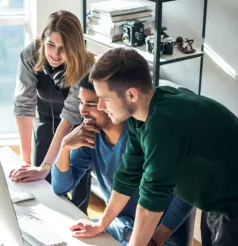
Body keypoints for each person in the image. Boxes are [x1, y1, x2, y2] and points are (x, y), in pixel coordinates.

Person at [69, 47, 238, 246]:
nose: (100, 107)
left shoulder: (164, 122)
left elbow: (152, 198)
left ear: (131, 95)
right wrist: (101, 225)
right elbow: (127, 175)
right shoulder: (141, 116)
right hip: (214, 204)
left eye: (105, 99)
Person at [53, 76, 193, 246]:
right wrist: (65, 147)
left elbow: (187, 192)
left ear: (112, 103)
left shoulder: (146, 135)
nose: (82, 111)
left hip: (157, 236)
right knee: (64, 238)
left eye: (90, 104)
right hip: (120, 227)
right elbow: (61, 186)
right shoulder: (90, 135)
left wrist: (156, 239)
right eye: (81, 102)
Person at [10, 10, 94, 213]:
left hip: (78, 124)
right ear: (43, 40)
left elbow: (70, 117)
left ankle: (77, 219)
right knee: (40, 179)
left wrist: (45, 167)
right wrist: (26, 162)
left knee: (71, 179)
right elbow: (24, 106)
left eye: (63, 48)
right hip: (46, 116)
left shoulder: (85, 66)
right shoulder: (30, 55)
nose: (55, 54)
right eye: (51, 45)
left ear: (74, 48)